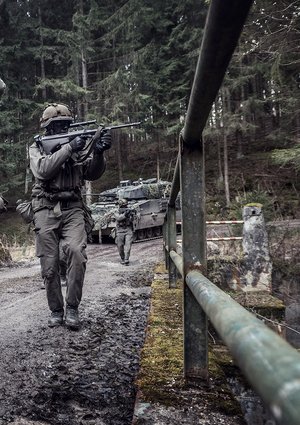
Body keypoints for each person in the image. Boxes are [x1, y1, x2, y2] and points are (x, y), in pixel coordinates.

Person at [29, 103, 111, 329]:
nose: (62, 131)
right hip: (45, 207)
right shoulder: (37, 148)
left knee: (76, 252)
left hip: (73, 206)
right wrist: (68, 148)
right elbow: (43, 170)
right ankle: (56, 310)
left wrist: (99, 152)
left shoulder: (77, 146)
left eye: (65, 126)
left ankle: (72, 308)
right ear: (47, 130)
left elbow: (92, 173)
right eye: (56, 128)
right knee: (50, 264)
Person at [114, 198, 136, 266]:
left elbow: (133, 220)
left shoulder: (128, 210)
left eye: (126, 206)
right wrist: (125, 214)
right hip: (120, 230)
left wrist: (131, 215)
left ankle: (126, 260)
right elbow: (118, 218)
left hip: (128, 229)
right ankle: (123, 258)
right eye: (123, 206)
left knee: (128, 246)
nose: (125, 207)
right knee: (120, 246)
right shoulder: (116, 211)